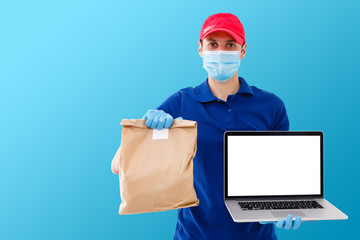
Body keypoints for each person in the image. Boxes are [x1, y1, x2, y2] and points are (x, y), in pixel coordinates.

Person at [112, 13, 302, 239]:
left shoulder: (270, 106)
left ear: (243, 50)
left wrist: (285, 208)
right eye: (212, 44)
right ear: (200, 49)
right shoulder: (182, 102)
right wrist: (148, 131)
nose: (221, 52)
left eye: (230, 45)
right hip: (194, 234)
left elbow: (283, 173)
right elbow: (118, 165)